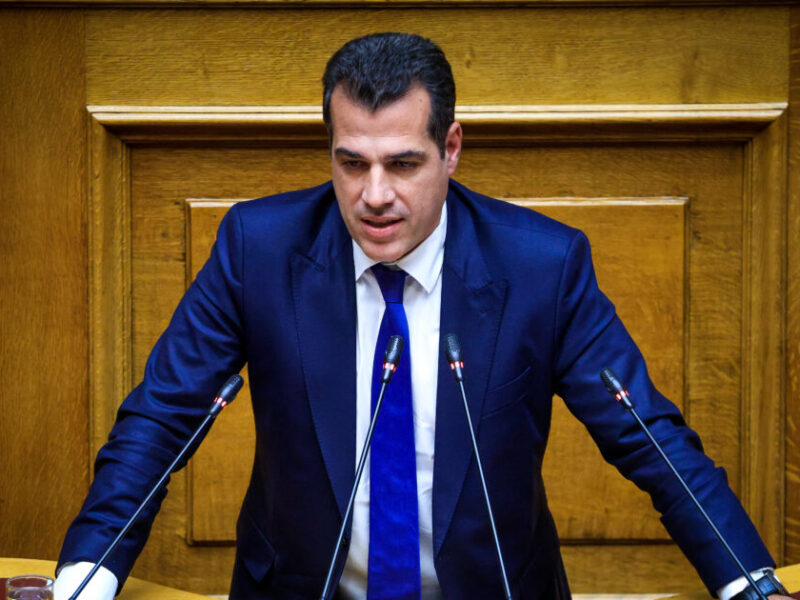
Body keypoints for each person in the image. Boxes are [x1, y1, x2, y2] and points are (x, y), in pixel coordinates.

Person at [55, 33, 790, 600]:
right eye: (352, 163)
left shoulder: (542, 266)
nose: (374, 195)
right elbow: (162, 417)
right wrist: (89, 569)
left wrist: (746, 580)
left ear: (451, 149)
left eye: (403, 164)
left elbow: (646, 434)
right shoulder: (259, 249)